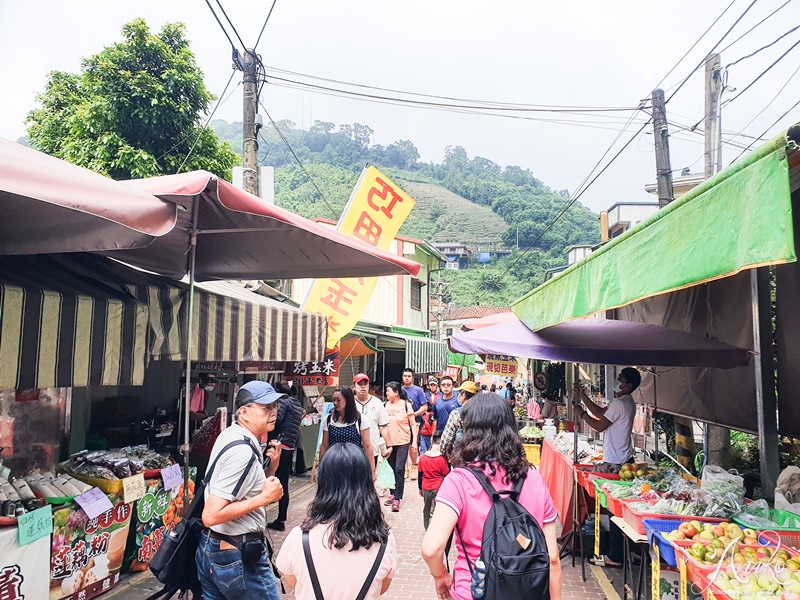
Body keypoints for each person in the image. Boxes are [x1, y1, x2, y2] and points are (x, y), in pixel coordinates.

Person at [421, 392, 562, 600]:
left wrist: (440, 575)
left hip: (473, 592)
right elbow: (552, 558)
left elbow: (432, 549)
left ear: (469, 431)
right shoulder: (534, 479)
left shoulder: (458, 481)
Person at [197, 381, 286, 600]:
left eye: (275, 406)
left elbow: (240, 491)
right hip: (236, 554)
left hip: (214, 548)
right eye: (266, 408)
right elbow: (210, 515)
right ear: (244, 413)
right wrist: (265, 498)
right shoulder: (242, 452)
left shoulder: (232, 435)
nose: (274, 412)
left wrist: (270, 470)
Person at [276, 443, 397, 599]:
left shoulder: (299, 537)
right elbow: (382, 587)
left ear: (324, 483)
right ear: (366, 483)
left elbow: (292, 582)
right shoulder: (384, 539)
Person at [573, 366, 640, 568]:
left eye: (620, 378)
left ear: (627, 385)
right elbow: (601, 412)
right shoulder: (625, 402)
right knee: (619, 511)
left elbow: (599, 424)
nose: (616, 381)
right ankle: (627, 551)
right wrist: (582, 396)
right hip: (622, 460)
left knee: (615, 511)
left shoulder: (621, 403)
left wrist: (581, 414)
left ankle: (615, 555)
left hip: (616, 463)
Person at [266, 381, 304, 532]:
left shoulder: (283, 402)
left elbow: (277, 420)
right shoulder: (297, 404)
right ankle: (281, 519)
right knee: (284, 484)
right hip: (289, 446)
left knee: (267, 478)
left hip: (278, 446)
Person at [319, 386, 376, 480]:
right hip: (334, 465)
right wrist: (321, 467)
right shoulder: (329, 420)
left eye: (338, 400)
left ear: (348, 400)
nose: (335, 403)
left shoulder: (360, 420)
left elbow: (367, 446)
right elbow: (324, 445)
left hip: (354, 465)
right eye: (334, 400)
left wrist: (372, 470)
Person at [382, 381, 417, 512]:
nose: (386, 393)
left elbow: (413, 424)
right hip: (389, 442)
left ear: (396, 393)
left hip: (403, 441)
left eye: (388, 391)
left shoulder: (406, 405)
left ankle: (397, 497)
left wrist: (414, 442)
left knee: (399, 469)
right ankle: (392, 493)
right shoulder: (384, 405)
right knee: (391, 469)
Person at [353, 373, 390, 468]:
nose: (363, 387)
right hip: (352, 450)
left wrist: (389, 446)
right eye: (359, 384)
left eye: (365, 384)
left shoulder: (377, 403)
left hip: (372, 449)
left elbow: (383, 426)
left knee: (370, 477)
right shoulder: (350, 403)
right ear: (354, 386)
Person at [418, 432, 450, 530]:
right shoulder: (441, 459)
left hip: (425, 487)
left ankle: (427, 526)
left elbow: (420, 474)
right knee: (434, 510)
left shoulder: (423, 457)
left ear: (432, 441)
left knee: (426, 509)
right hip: (438, 487)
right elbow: (446, 473)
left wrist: (420, 488)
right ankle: (432, 530)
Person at [439, 381, 478, 459]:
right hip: (478, 456)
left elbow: (446, 440)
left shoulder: (457, 413)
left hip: (460, 456)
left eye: (459, 394)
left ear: (463, 395)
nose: (458, 396)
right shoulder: (482, 412)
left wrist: (444, 454)